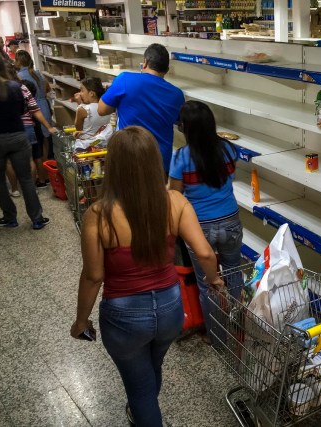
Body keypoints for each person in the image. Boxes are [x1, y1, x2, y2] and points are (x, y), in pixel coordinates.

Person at [70, 126, 224, 427]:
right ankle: (143, 411)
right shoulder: (175, 202)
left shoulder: (98, 214)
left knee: (139, 388)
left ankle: (144, 414)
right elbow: (205, 253)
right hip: (169, 308)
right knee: (152, 368)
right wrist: (215, 281)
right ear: (155, 161)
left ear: (113, 165)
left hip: (123, 315)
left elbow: (93, 276)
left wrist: (80, 321)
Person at [169, 101, 243, 345]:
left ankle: (217, 337)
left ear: (185, 128)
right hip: (231, 219)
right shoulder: (229, 149)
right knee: (234, 275)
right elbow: (229, 178)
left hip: (199, 227)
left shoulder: (181, 157)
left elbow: (176, 196)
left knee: (207, 285)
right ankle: (238, 329)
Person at [0, 51, 50, 229]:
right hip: (18, 136)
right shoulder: (14, 86)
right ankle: (37, 218)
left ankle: (10, 217)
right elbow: (21, 110)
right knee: (26, 179)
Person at [98, 43, 184, 175]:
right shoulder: (177, 94)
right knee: (157, 195)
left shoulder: (125, 80)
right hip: (160, 162)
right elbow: (179, 122)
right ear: (167, 69)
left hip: (129, 158)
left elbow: (101, 110)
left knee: (129, 194)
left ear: (145, 62)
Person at [14, 49, 53, 187]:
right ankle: (47, 174)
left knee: (37, 145)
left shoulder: (19, 76)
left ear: (18, 61)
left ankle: (40, 176)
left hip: (34, 110)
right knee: (45, 142)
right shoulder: (38, 73)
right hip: (44, 107)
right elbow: (47, 89)